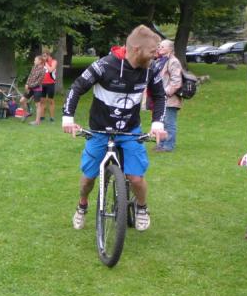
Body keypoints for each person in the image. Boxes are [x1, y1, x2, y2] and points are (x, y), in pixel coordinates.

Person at [62, 25, 168, 232]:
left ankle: (142, 208)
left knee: (136, 178)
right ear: (136, 49)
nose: (156, 55)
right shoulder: (103, 66)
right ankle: (82, 205)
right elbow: (76, 88)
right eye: (152, 51)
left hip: (130, 131)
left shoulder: (151, 69)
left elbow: (160, 96)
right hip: (100, 130)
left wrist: (157, 124)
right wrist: (67, 119)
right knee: (88, 178)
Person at [155, 39, 183, 152]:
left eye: (163, 46)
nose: (160, 48)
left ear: (170, 49)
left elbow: (176, 82)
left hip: (170, 98)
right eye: (159, 46)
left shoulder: (173, 61)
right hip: (161, 98)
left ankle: (168, 146)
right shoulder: (161, 60)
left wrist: (165, 93)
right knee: (161, 122)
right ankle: (161, 144)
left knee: (169, 123)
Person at [21, 55, 45, 124]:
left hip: (37, 89)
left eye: (35, 60)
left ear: (40, 61)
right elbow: (30, 76)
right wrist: (27, 84)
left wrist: (29, 86)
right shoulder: (34, 67)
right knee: (22, 100)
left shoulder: (43, 70)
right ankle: (26, 113)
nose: (34, 61)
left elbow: (38, 82)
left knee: (37, 105)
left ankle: (37, 121)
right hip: (30, 88)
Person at [36, 50, 58, 123]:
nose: (43, 57)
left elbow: (51, 70)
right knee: (42, 101)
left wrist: (45, 62)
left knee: (51, 101)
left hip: (50, 84)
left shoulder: (54, 61)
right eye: (42, 56)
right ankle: (42, 116)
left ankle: (52, 117)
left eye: (45, 56)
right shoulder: (41, 63)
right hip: (42, 84)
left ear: (48, 55)